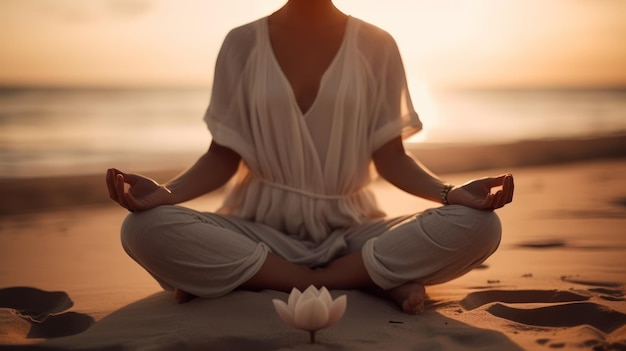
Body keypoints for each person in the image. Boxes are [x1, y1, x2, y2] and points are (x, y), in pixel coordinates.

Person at [106, 0, 514, 315]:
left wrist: (450, 192)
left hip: (353, 232)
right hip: (257, 231)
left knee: (480, 225)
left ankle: (256, 278)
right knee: (143, 228)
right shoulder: (241, 43)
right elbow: (223, 155)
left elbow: (391, 157)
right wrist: (167, 193)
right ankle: (370, 279)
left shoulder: (377, 44)